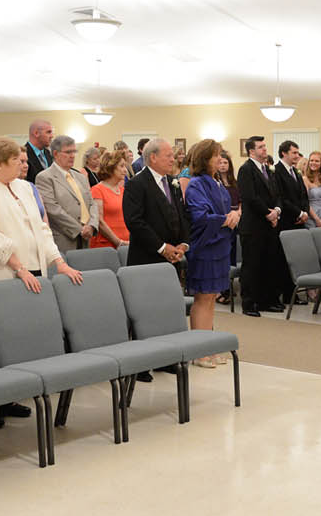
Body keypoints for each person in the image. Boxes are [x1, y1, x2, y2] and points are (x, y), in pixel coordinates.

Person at [0, 137, 82, 290]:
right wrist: (19, 268)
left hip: (33, 267)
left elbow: (41, 228)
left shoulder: (24, 186)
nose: (22, 163)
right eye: (15, 159)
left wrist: (59, 262)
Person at [182, 140, 240, 367]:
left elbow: (227, 209)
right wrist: (226, 219)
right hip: (205, 247)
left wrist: (234, 215)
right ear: (205, 158)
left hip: (220, 245)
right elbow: (200, 216)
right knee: (203, 297)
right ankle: (199, 352)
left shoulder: (217, 182)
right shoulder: (196, 184)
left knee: (212, 297)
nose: (220, 159)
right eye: (216, 155)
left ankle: (208, 347)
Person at [122, 137, 191, 273]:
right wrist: (162, 247)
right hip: (146, 259)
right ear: (153, 157)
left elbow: (182, 215)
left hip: (173, 257)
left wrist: (183, 243)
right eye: (168, 156)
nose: (173, 160)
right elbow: (134, 221)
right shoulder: (136, 184)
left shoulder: (173, 182)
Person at [235, 135, 287, 316]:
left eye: (265, 146)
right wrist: (268, 213)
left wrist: (277, 211)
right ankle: (249, 303)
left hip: (270, 225)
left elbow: (277, 194)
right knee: (252, 266)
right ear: (251, 151)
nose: (265, 149)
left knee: (269, 264)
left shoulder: (268, 169)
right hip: (253, 225)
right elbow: (250, 197)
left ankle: (266, 301)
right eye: (261, 147)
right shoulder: (246, 170)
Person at [35, 134, 98, 254]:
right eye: (68, 152)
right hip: (65, 239)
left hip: (86, 238)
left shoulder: (80, 177)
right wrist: (80, 229)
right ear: (55, 154)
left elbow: (92, 203)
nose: (72, 155)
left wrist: (92, 225)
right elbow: (53, 209)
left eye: (74, 151)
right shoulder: (45, 177)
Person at [89, 150, 130, 249]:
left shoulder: (123, 190)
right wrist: (118, 242)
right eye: (122, 166)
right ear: (110, 167)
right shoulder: (97, 190)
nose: (125, 170)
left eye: (125, 166)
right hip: (106, 246)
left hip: (126, 244)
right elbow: (99, 221)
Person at [271, 141, 311, 241]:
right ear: (284, 153)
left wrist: (305, 213)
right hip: (286, 221)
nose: (297, 156)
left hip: (301, 221)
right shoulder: (275, 171)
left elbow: (304, 195)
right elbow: (281, 197)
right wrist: (300, 213)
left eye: (298, 153)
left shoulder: (296, 172)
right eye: (294, 153)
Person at [23, 119, 55, 184]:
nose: (52, 136)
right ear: (36, 133)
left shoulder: (49, 153)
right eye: (48, 132)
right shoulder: (22, 154)